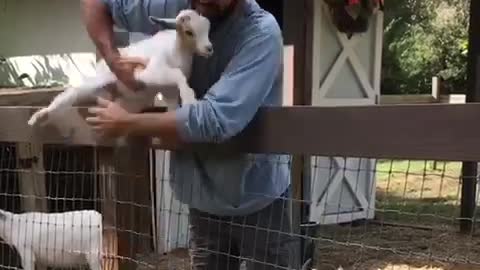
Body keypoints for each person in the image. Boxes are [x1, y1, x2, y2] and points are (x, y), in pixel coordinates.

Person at [81, 0, 300, 269]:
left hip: (256, 198)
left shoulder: (260, 33)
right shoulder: (177, 7)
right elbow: (96, 3)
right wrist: (113, 60)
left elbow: (215, 118)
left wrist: (128, 123)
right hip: (201, 198)